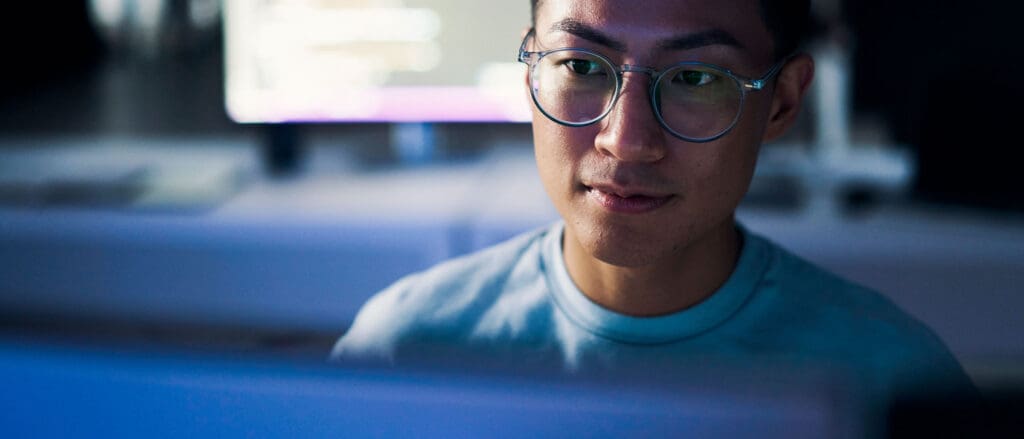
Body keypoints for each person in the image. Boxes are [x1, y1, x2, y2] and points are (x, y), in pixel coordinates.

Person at [333, 0, 974, 415]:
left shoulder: (892, 383)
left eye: (696, 78)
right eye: (581, 64)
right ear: (530, 72)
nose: (627, 140)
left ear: (781, 101)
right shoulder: (405, 353)